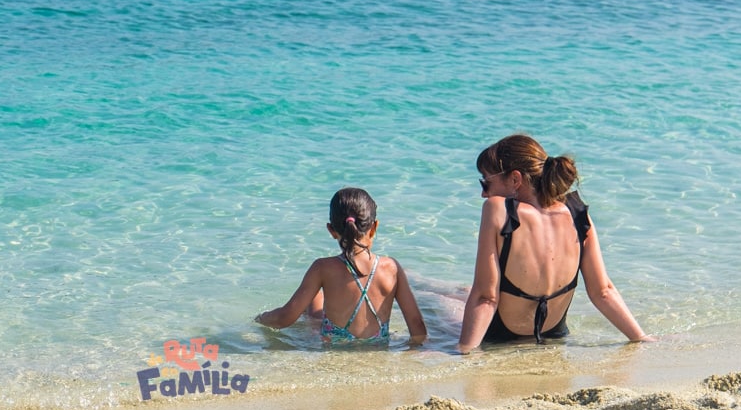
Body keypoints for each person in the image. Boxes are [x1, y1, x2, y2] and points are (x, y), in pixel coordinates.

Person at [458, 135, 654, 353]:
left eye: (486, 182)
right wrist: (641, 337)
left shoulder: (496, 209)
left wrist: (464, 352)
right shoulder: (578, 213)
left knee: (442, 301)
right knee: (456, 292)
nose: (483, 193)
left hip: (502, 340)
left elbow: (487, 298)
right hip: (554, 336)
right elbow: (603, 292)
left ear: (515, 179)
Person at [255, 187, 427, 345]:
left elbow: (285, 318)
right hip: (376, 347)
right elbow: (417, 327)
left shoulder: (322, 268)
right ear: (374, 227)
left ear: (331, 230)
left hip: (333, 348)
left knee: (313, 303)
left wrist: (261, 318)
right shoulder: (391, 268)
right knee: (316, 308)